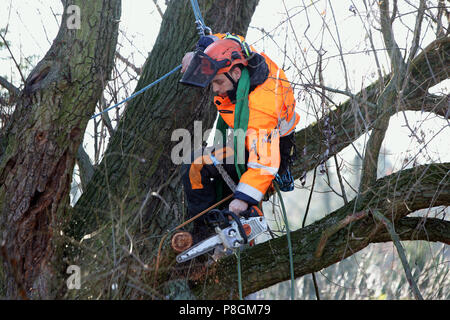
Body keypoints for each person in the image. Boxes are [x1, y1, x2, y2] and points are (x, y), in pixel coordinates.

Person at [179, 33, 299, 242]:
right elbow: (229, 40)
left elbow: (264, 163)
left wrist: (244, 199)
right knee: (196, 165)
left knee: (195, 165)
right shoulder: (243, 58)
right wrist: (201, 50)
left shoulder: (261, 107)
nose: (215, 89)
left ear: (235, 73)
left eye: (217, 82)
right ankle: (209, 227)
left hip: (270, 151)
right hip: (247, 140)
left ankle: (211, 232)